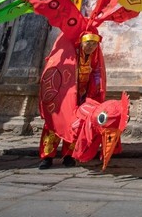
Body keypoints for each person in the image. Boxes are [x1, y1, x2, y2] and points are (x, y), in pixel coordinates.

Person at [39, 31, 103, 169]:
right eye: (88, 43)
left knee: (74, 125)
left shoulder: (94, 58)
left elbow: (97, 75)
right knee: (53, 125)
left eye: (94, 44)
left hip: (81, 97)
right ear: (81, 42)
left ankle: (68, 156)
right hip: (62, 97)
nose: (91, 47)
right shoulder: (70, 55)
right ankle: (47, 157)